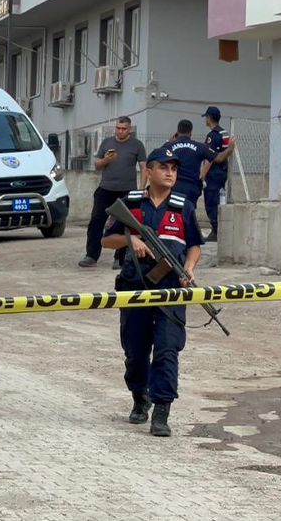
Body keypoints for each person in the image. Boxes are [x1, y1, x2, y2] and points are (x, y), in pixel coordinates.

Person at [101, 147, 204, 438]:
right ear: (148, 172)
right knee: (135, 351)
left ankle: (162, 410)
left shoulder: (183, 206)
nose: (170, 173)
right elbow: (106, 240)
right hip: (135, 288)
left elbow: (194, 245)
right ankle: (139, 396)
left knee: (167, 349)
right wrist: (130, 240)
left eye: (174, 168)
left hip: (171, 289)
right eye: (163, 167)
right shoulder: (131, 202)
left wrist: (189, 267)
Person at [79, 116, 147, 269]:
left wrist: (142, 189)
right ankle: (91, 256)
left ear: (129, 129)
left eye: (123, 129)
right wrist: (106, 160)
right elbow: (97, 164)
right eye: (118, 128)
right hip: (105, 189)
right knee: (96, 221)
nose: (120, 131)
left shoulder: (137, 145)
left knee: (125, 225)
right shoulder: (107, 142)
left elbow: (144, 167)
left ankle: (119, 259)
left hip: (127, 191)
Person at [198, 106, 236, 242]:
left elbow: (211, 158)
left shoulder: (212, 136)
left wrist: (202, 175)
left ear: (209, 118)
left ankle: (215, 230)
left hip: (213, 173)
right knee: (218, 201)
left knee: (211, 201)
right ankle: (218, 229)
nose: (205, 120)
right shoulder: (224, 133)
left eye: (206, 117)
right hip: (221, 172)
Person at [162, 120, 216, 206]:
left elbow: (158, 155)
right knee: (189, 210)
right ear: (191, 132)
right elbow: (214, 157)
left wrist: (169, 140)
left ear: (177, 132)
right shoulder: (200, 147)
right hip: (192, 187)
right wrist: (202, 174)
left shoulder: (169, 146)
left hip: (174, 186)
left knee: (174, 210)